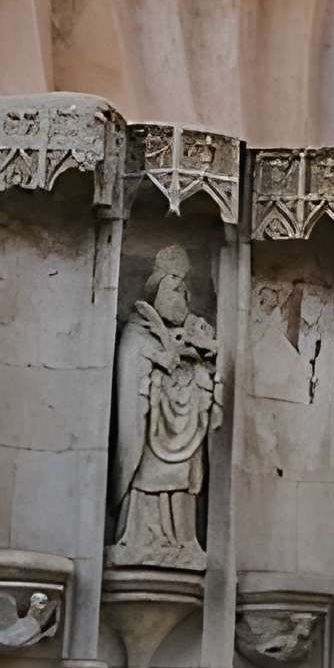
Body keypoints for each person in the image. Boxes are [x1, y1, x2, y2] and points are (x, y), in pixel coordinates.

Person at [110, 244, 224, 570]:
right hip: (150, 428)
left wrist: (200, 363)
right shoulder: (138, 333)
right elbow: (135, 368)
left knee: (186, 475)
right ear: (158, 293)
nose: (182, 298)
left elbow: (207, 363)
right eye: (174, 291)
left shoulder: (190, 332)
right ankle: (139, 538)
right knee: (146, 477)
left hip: (186, 427)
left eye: (184, 292)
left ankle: (183, 541)